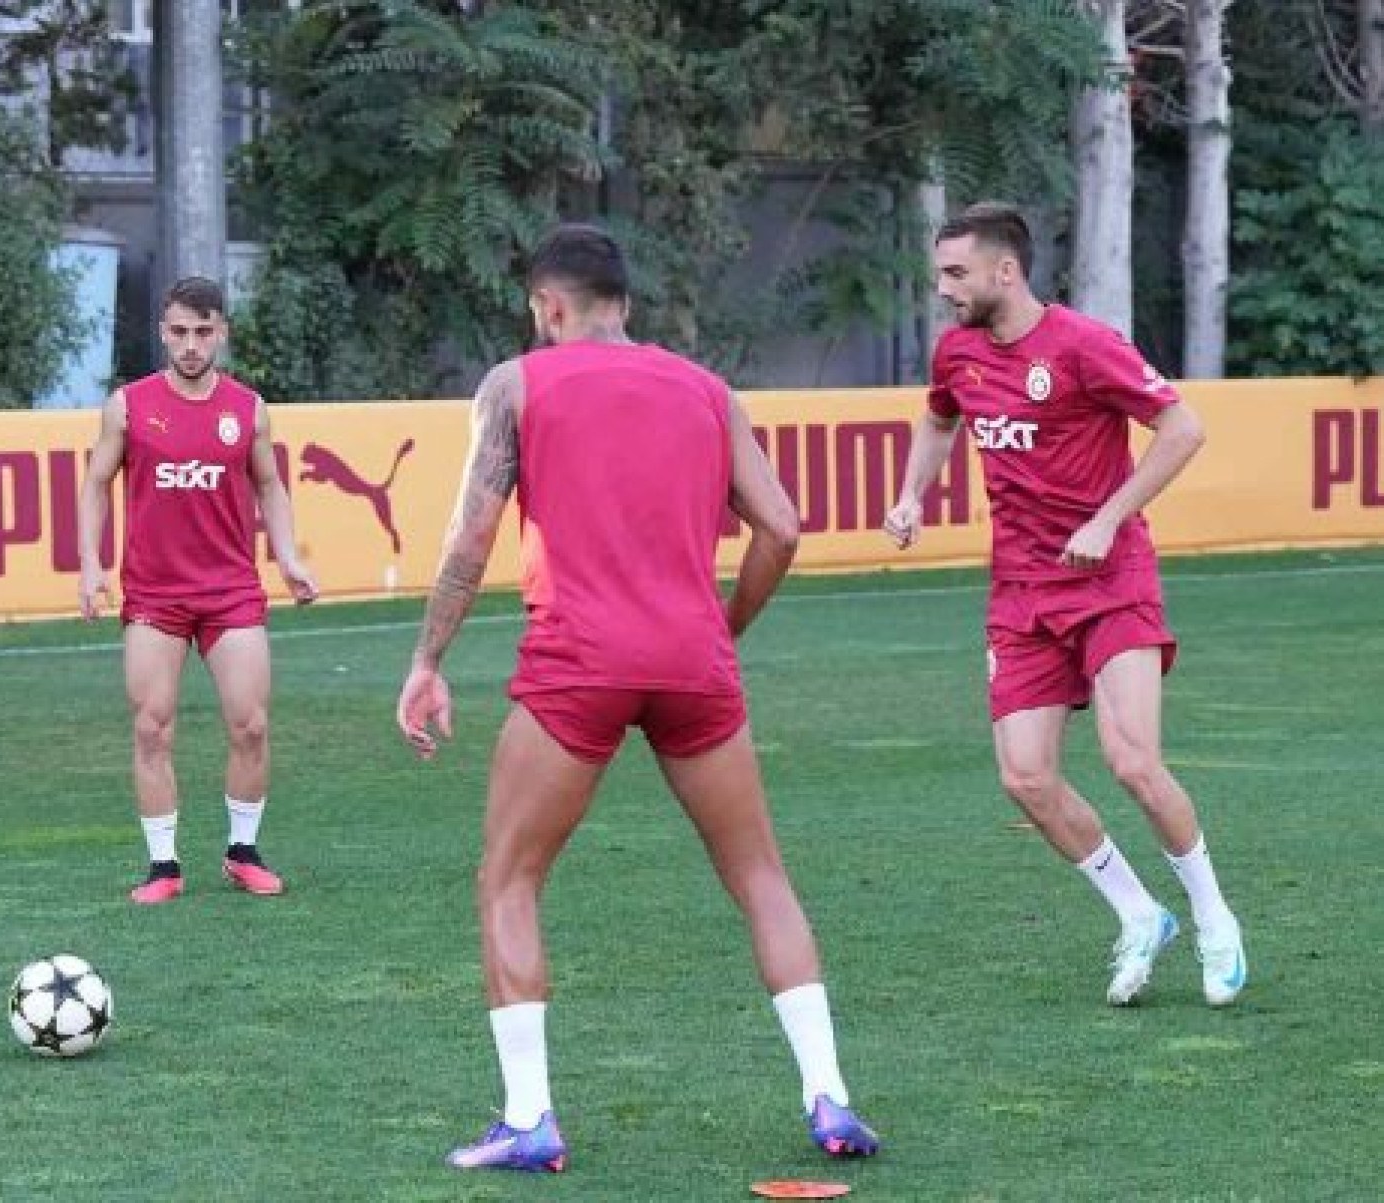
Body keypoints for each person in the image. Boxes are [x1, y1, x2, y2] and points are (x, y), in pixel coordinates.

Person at [396, 224, 879, 1173]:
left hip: (579, 661)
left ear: (549, 306)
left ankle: (530, 1117)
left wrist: (427, 660)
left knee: (510, 877)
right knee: (759, 875)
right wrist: (723, 622)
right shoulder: (707, 390)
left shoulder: (517, 384)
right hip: (694, 661)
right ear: (626, 302)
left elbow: (468, 541)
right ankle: (830, 1094)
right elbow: (780, 526)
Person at [883, 201, 1246, 1008]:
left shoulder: (1083, 345)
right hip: (1019, 591)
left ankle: (1215, 917)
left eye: (955, 273)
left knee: (1133, 763)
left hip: (1110, 579)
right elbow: (940, 419)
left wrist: (1107, 517)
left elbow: (1182, 428)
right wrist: (911, 493)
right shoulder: (959, 353)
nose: (944, 288)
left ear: (1004, 271)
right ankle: (1138, 912)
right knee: (1026, 776)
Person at [79, 276, 317, 904]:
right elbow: (96, 482)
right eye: (179, 332)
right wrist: (89, 564)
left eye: (202, 332)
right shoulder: (127, 405)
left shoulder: (249, 409)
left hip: (231, 590)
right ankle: (163, 867)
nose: (190, 344)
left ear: (221, 333)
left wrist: (287, 556)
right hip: (155, 597)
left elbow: (270, 486)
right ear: (162, 331)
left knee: (252, 724)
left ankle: (243, 852)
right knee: (152, 728)